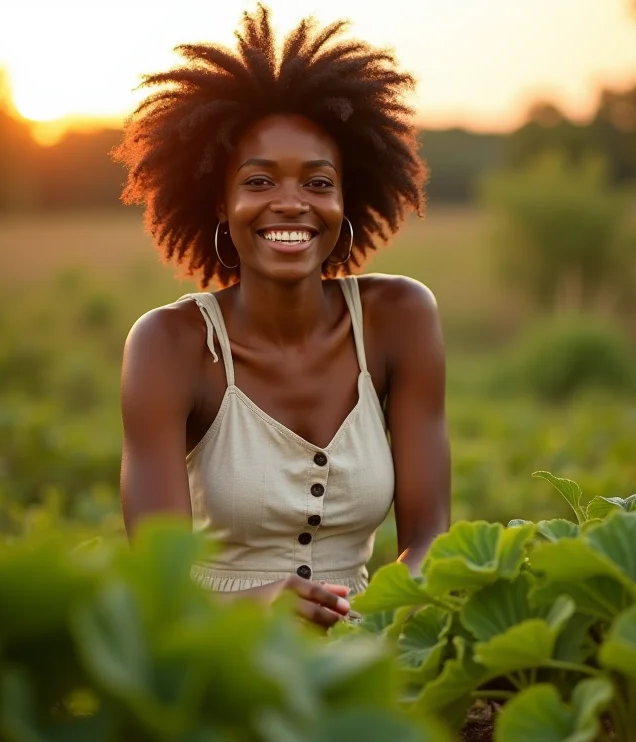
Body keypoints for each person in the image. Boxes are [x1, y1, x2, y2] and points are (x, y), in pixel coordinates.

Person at [115, 4, 451, 629]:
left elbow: (430, 534)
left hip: (371, 646)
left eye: (319, 183)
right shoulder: (169, 344)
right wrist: (260, 609)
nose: (291, 204)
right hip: (219, 654)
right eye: (260, 182)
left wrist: (375, 616)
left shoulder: (400, 317)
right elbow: (154, 583)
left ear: (348, 197)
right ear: (221, 202)